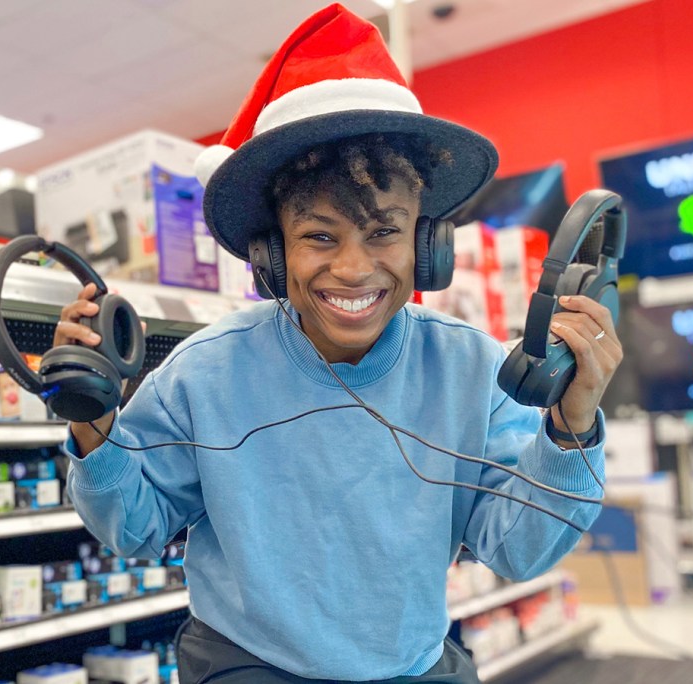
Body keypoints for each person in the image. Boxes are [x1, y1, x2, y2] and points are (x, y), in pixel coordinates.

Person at [57, 5, 622, 683]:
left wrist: (572, 424)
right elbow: (136, 526)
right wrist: (94, 425)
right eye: (320, 236)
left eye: (383, 232)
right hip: (249, 664)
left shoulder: (473, 370)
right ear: (271, 255)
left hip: (411, 664)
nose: (353, 269)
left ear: (426, 245)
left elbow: (516, 548)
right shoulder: (205, 372)